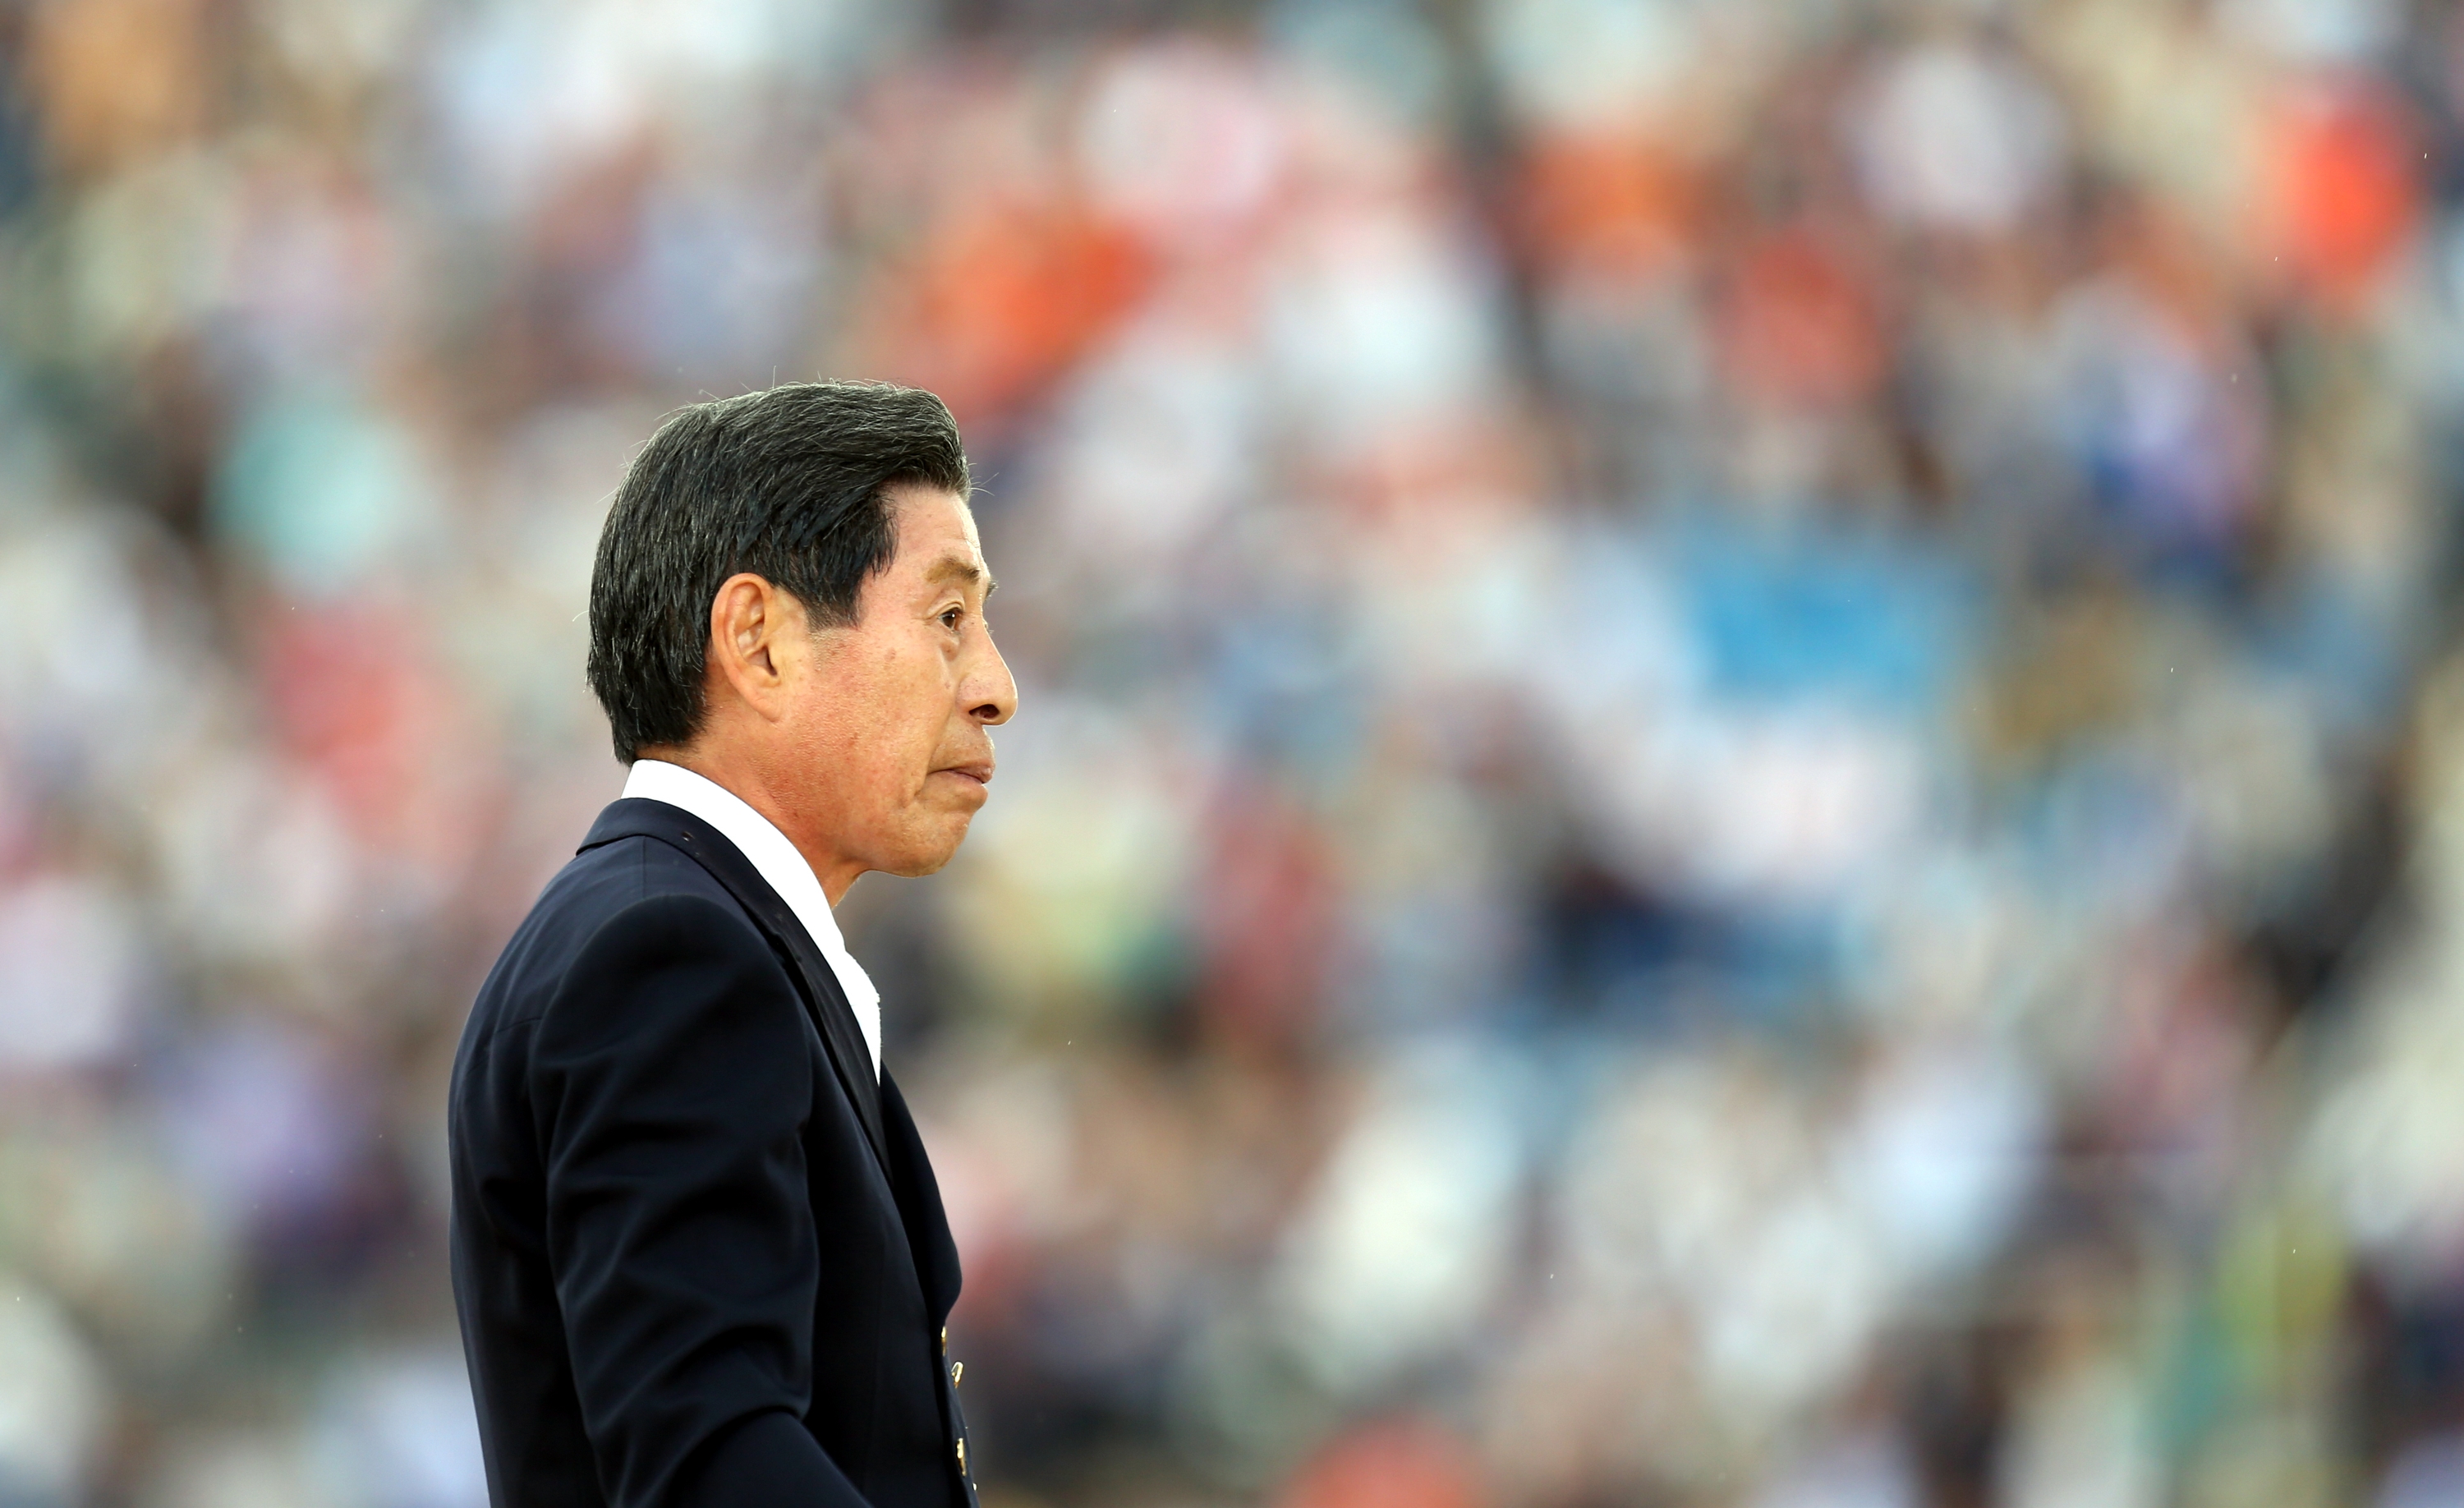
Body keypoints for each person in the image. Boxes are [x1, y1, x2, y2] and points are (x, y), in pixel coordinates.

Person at [448, 381, 1017, 1508]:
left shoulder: (670, 930)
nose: (995, 688)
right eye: (949, 617)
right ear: (758, 643)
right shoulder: (672, 955)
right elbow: (705, 1458)